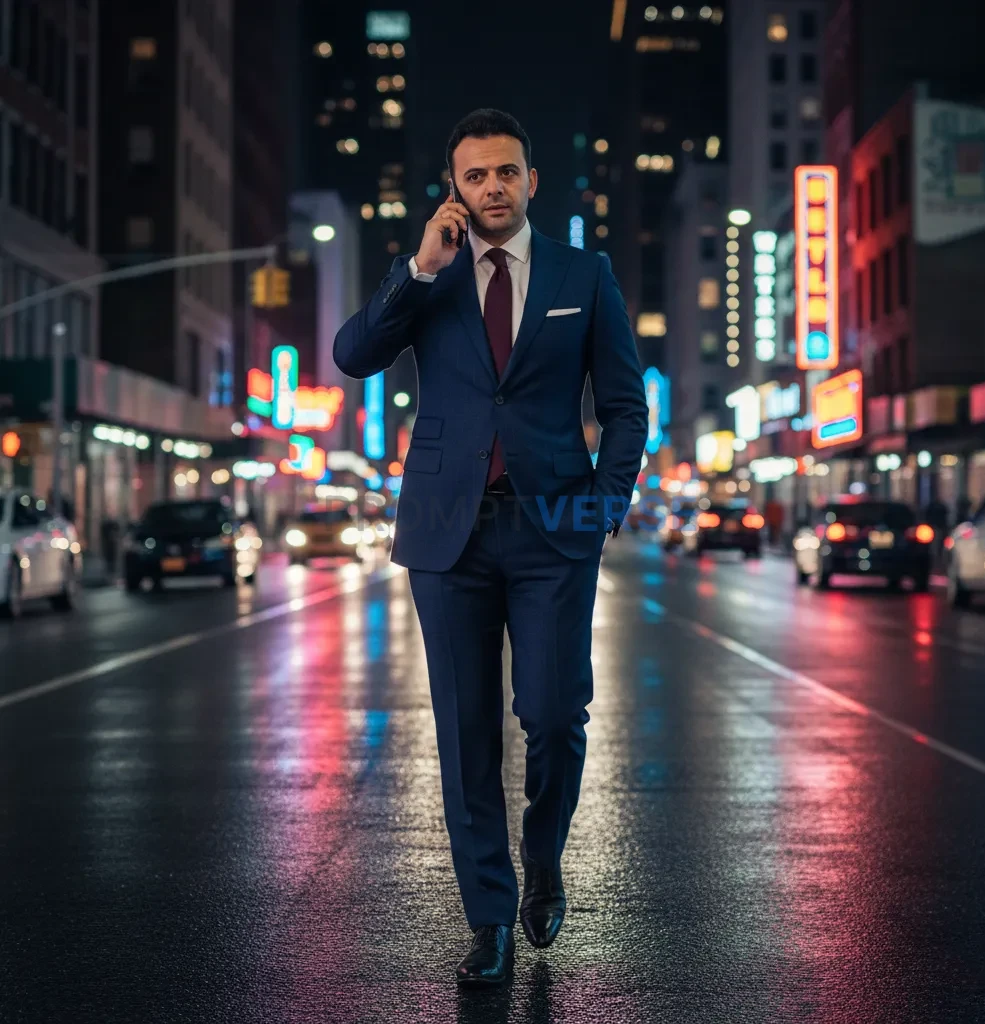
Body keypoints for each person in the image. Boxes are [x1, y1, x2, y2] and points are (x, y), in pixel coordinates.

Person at [335, 109, 647, 987]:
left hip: (555, 530)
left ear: (532, 180)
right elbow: (353, 355)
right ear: (454, 189)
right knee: (466, 733)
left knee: (553, 715)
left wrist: (605, 505)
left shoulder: (586, 274)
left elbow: (625, 404)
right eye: (476, 177)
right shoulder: (426, 279)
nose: (493, 189)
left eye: (507, 172)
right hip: (448, 532)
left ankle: (542, 856)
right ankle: (490, 919)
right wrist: (417, 269)